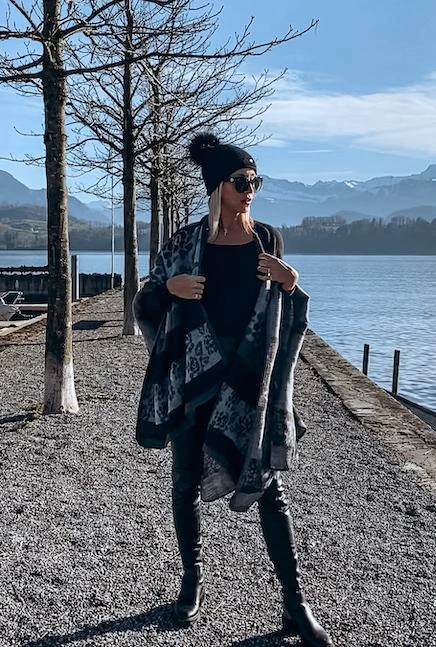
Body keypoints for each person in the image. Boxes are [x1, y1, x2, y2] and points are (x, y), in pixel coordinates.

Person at [133, 132, 332, 647]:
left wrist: (290, 282)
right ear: (217, 187)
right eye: (242, 182)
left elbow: (282, 316)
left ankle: (295, 603)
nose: (250, 191)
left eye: (255, 182)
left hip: (249, 384)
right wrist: (168, 289)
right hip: (194, 382)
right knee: (184, 482)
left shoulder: (268, 241)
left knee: (270, 490)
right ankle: (191, 584)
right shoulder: (184, 244)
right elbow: (145, 303)